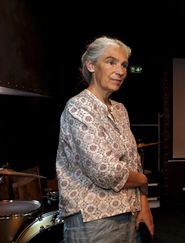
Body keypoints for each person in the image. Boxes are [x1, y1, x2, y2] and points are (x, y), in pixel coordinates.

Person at [55, 36, 154, 242]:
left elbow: (134, 163)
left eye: (124, 64)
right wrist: (144, 180)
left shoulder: (120, 110)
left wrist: (144, 205)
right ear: (91, 65)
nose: (121, 71)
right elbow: (105, 171)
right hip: (94, 222)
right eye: (111, 62)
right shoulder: (78, 107)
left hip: (131, 215)